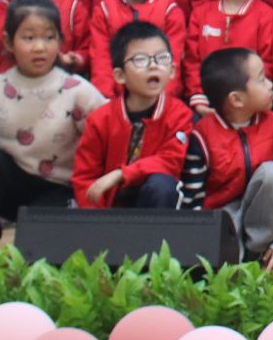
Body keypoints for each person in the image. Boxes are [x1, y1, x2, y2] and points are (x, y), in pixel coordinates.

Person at [0, 0, 106, 246]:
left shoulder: (79, 92)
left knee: (39, 253)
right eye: (28, 38)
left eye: (49, 38)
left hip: (59, 188)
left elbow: (105, 133)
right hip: (9, 184)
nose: (39, 47)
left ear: (60, 41)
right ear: (8, 42)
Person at [181, 48, 273, 267]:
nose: (270, 85)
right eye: (262, 79)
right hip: (222, 227)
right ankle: (229, 265)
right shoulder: (202, 137)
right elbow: (192, 200)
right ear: (237, 99)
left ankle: (260, 257)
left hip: (267, 226)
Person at [73, 21, 193, 209]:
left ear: (172, 70)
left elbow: (171, 161)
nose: (153, 66)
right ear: (120, 75)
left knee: (162, 184)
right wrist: (98, 219)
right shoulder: (100, 119)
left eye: (161, 58)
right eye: (140, 60)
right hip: (109, 209)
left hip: (151, 201)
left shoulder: (180, 114)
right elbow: (85, 177)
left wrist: (121, 174)